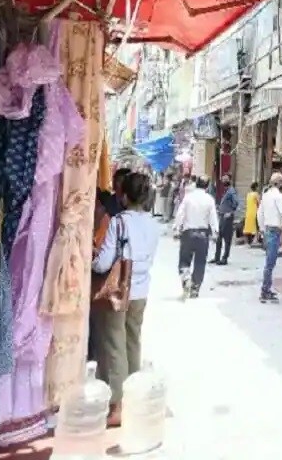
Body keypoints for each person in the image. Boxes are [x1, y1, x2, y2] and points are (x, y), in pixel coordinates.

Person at [91, 173, 160, 425]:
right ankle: (134, 398)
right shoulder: (153, 224)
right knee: (133, 343)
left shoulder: (119, 222)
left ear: (124, 196)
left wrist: (92, 258)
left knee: (114, 345)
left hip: (119, 291)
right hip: (141, 290)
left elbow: (103, 264)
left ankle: (117, 405)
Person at [174, 177, 217, 298]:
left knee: (184, 260)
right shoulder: (209, 199)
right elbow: (213, 217)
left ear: (196, 184)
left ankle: (186, 277)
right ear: (207, 186)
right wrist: (215, 232)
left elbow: (180, 214)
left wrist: (177, 228)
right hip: (203, 235)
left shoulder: (188, 198)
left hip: (188, 233)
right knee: (200, 263)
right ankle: (195, 288)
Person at [259, 172, 282, 303]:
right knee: (270, 263)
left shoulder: (266, 195)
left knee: (269, 261)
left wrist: (262, 230)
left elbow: (260, 214)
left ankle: (266, 288)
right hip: (274, 231)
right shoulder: (278, 196)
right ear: (279, 183)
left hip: (268, 230)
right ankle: (265, 290)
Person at [213, 175, 239, 266]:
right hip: (222, 216)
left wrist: (231, 212)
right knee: (219, 238)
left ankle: (224, 258)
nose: (224, 181)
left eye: (225, 180)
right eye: (223, 180)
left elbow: (236, 202)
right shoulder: (226, 191)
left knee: (227, 239)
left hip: (227, 218)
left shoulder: (232, 191)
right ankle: (217, 257)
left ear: (229, 180)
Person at [243, 182, 260, 246]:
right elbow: (259, 203)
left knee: (247, 227)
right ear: (256, 187)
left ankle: (246, 242)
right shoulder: (256, 194)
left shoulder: (248, 194)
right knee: (255, 226)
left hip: (248, 212)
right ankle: (255, 241)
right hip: (254, 212)